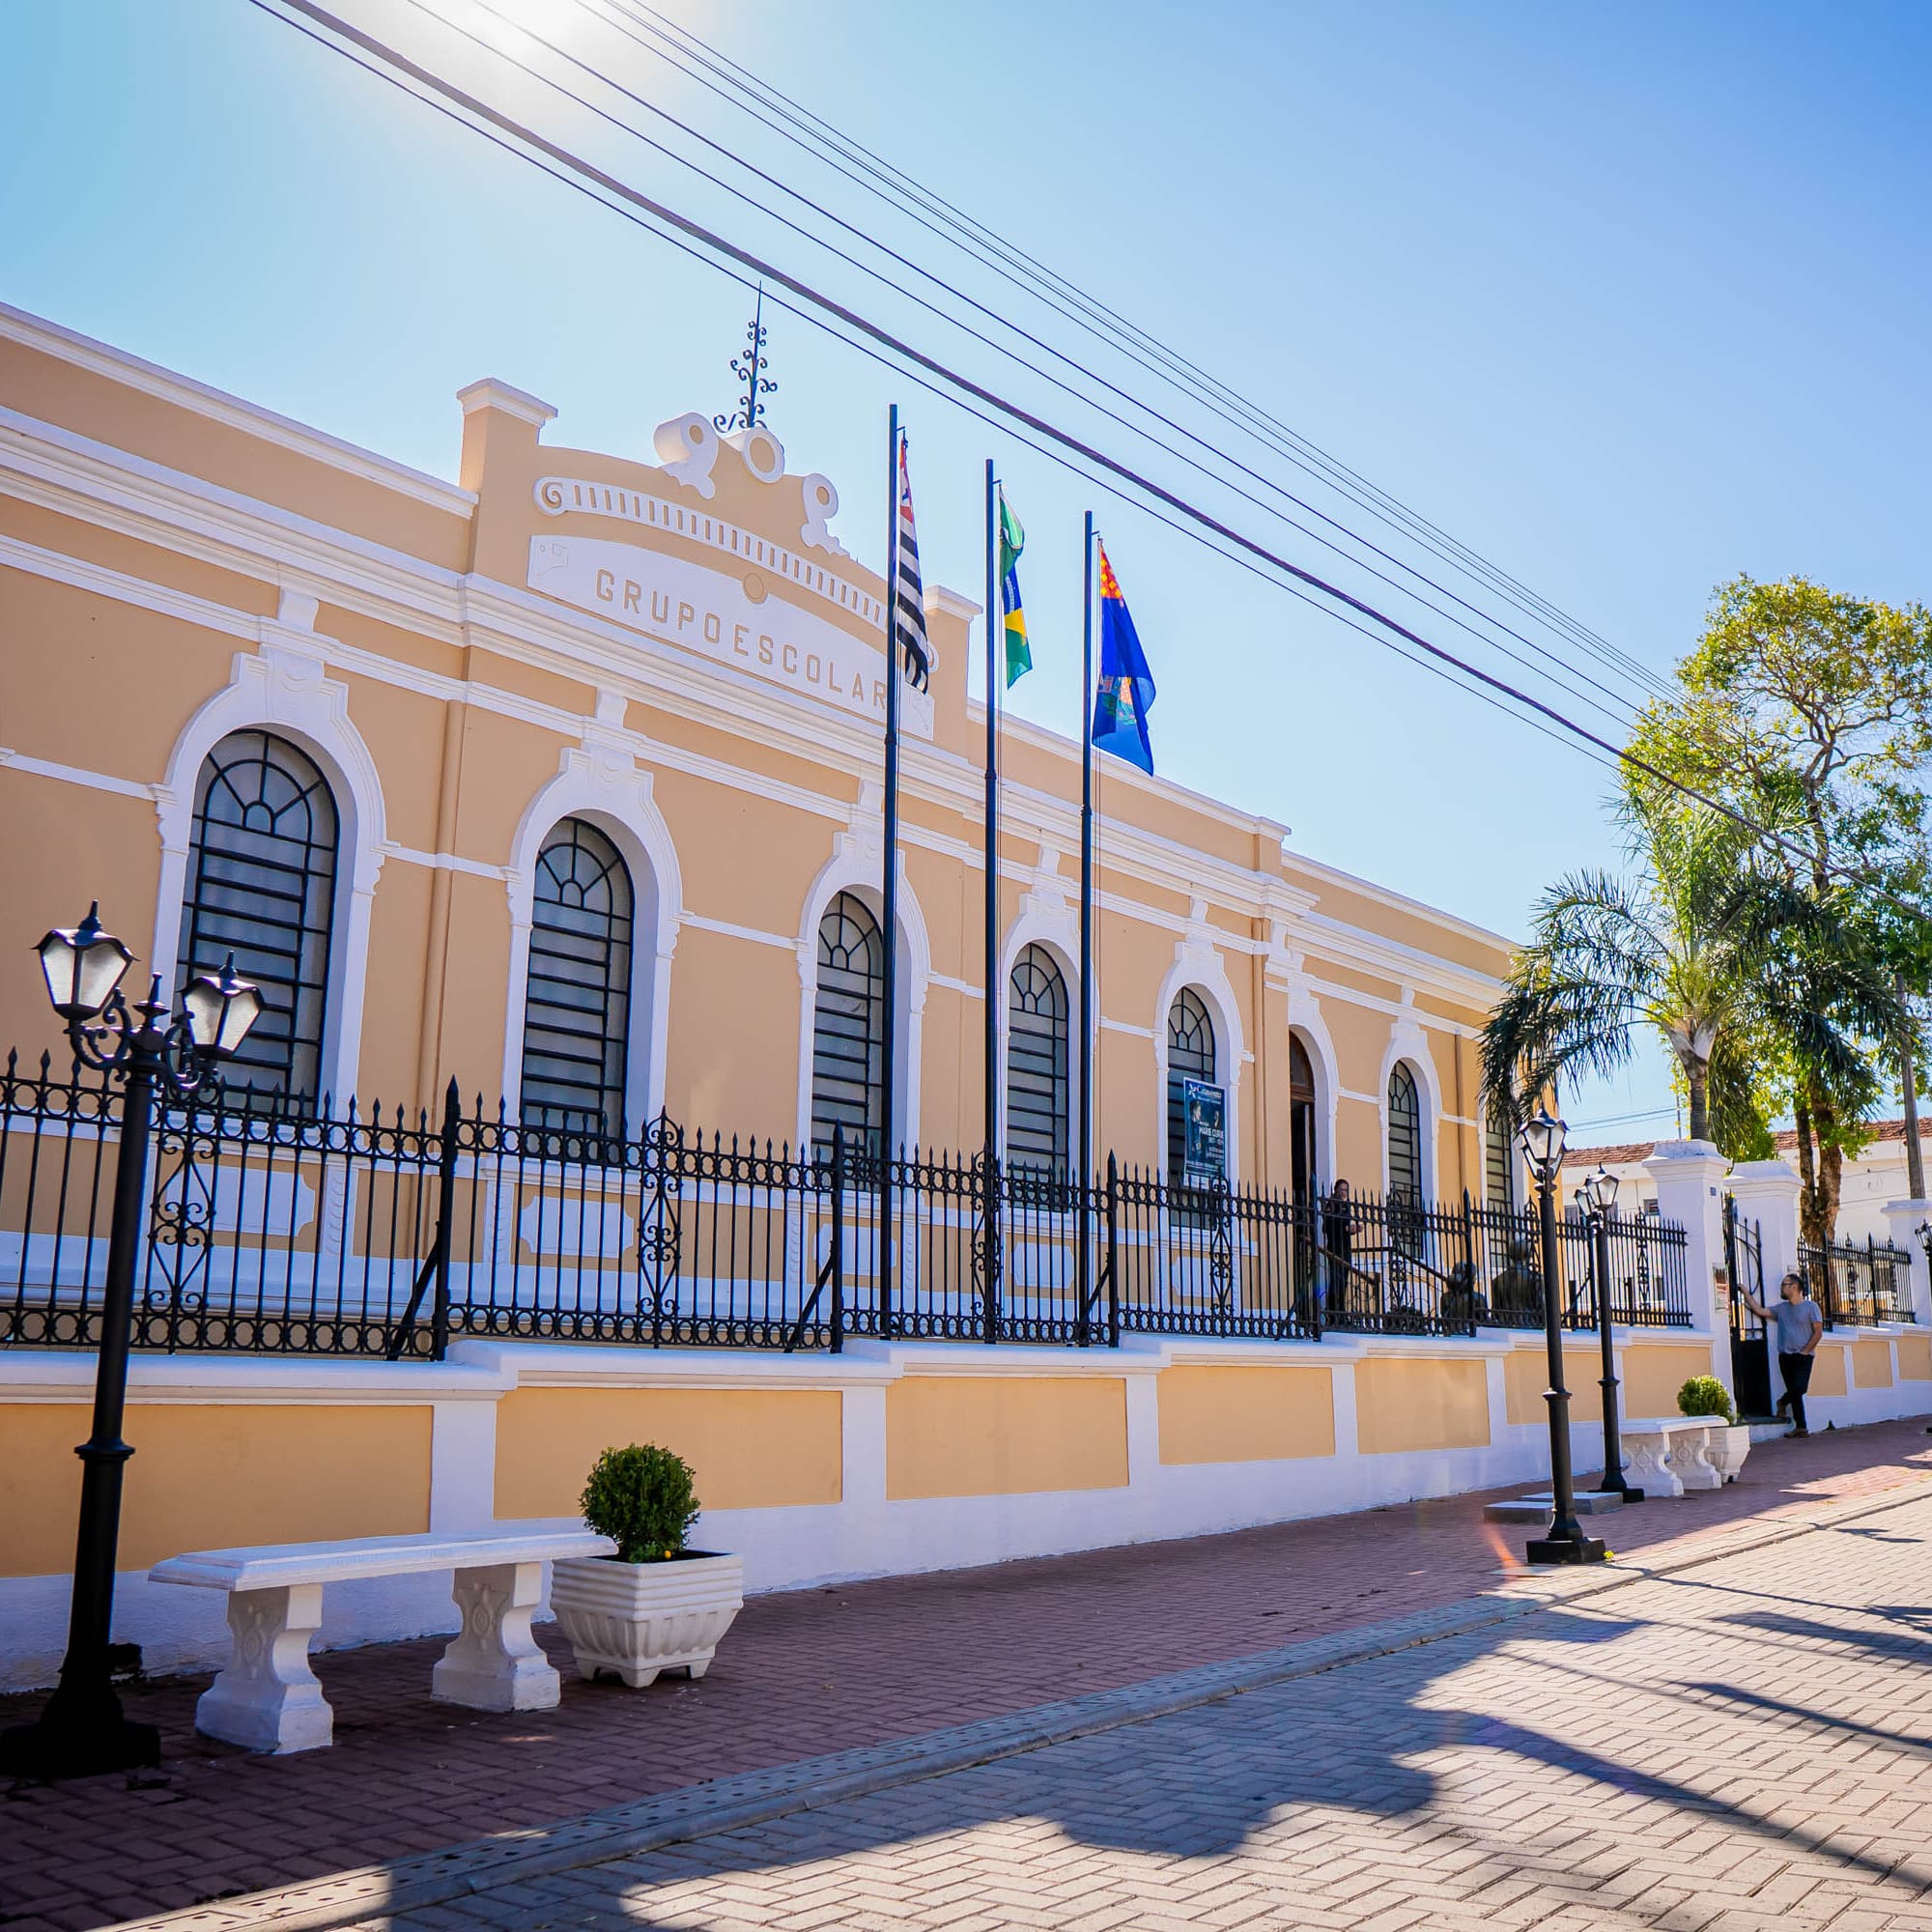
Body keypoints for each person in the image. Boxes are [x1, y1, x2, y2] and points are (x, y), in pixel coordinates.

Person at [1742, 1269, 1825, 1436]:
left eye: (1784, 1285)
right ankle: (1801, 1427)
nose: (1782, 1288)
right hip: (1785, 1357)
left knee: (1799, 1388)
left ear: (1793, 1287)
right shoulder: (1781, 1309)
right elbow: (1759, 1310)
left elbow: (1818, 1332)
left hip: (1804, 1356)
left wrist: (1805, 1351)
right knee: (1795, 1391)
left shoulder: (1811, 1307)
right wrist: (1744, 1291)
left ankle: (1782, 1402)